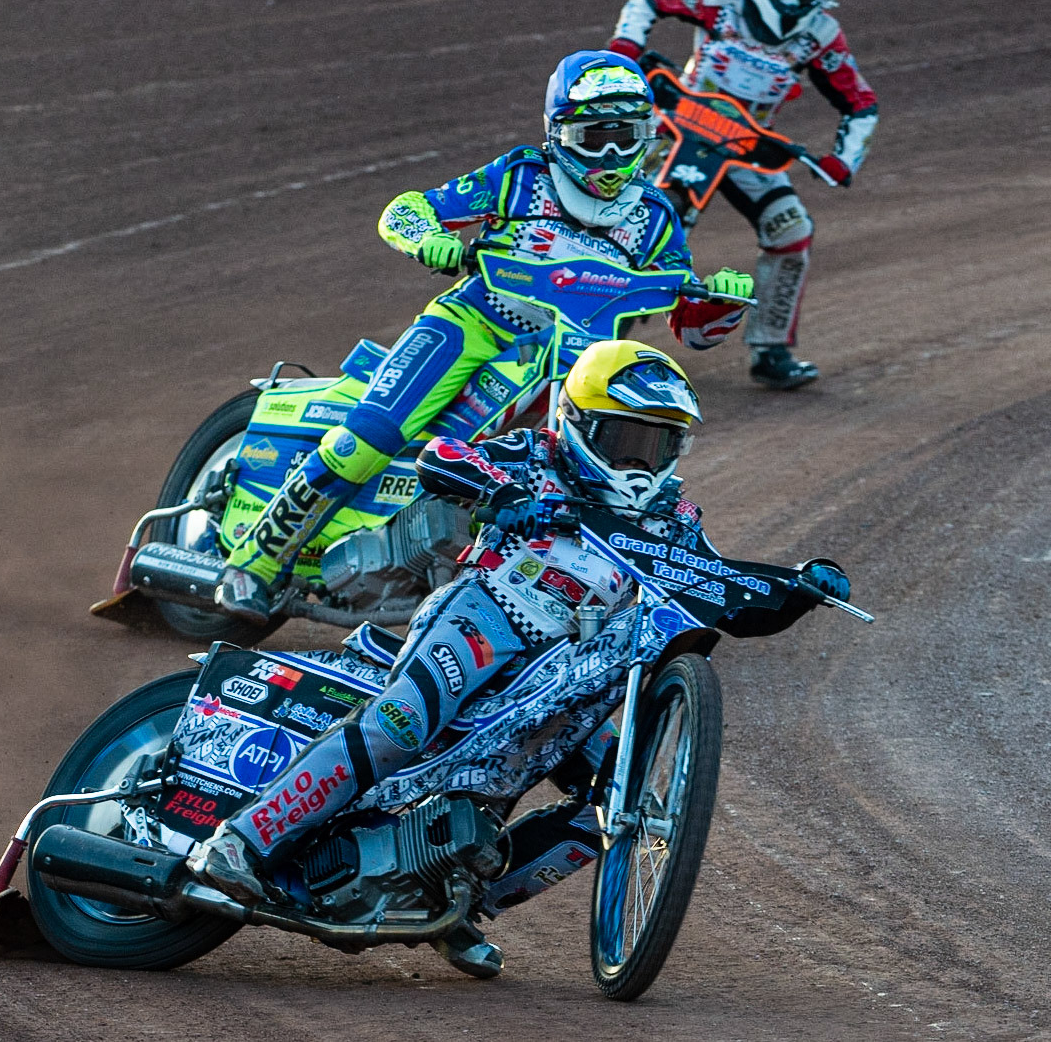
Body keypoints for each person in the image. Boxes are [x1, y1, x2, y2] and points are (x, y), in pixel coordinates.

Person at [188, 339, 851, 977]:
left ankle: (458, 906)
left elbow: (719, 590)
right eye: (627, 439)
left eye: (658, 443)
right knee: (401, 723)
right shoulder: (537, 454)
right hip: (488, 617)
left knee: (614, 800)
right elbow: (443, 454)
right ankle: (242, 839)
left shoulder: (675, 519)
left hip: (571, 676)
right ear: (580, 423)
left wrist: (797, 588)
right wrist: (500, 493)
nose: (641, 461)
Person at [212, 50, 753, 624]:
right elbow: (408, 209)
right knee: (368, 437)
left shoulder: (655, 215)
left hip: (579, 359)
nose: (612, 154)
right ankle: (253, 564)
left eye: (627, 136)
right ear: (560, 134)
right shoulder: (520, 177)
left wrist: (720, 303)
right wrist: (428, 241)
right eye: (595, 137)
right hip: (472, 323)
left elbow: (689, 324)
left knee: (601, 468)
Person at [606, 0, 879, 390]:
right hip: (678, 128)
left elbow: (860, 102)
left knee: (790, 231)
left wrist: (843, 160)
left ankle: (771, 348)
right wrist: (623, 51)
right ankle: (599, 331)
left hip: (748, 146)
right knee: (645, 221)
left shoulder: (820, 34)